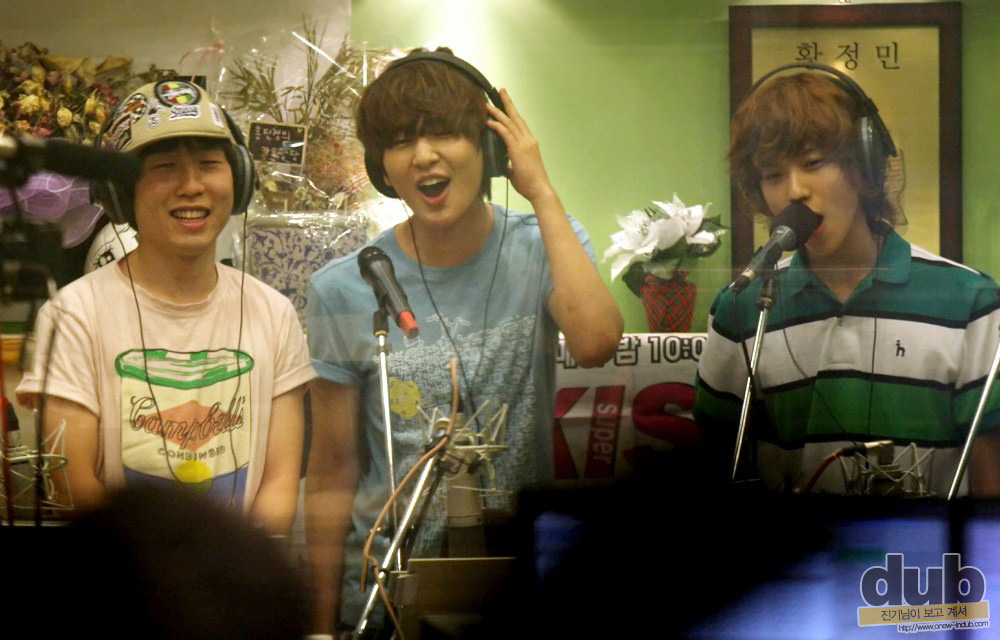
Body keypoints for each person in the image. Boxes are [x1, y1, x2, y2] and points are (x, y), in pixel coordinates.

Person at [305, 49, 623, 634]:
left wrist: (541, 191)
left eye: (445, 133)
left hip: (513, 591)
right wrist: (321, 626)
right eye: (401, 141)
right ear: (382, 168)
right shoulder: (343, 288)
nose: (424, 155)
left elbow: (596, 341)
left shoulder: (543, 246)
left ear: (490, 149)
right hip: (385, 600)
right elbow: (331, 472)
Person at [16, 80, 316, 534]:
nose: (191, 186)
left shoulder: (273, 313)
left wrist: (234, 568)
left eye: (209, 164)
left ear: (239, 180)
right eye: (164, 167)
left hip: (237, 572)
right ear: (120, 193)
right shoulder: (74, 314)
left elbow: (279, 486)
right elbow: (73, 485)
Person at [694, 66, 1000, 497]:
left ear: (864, 165)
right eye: (773, 175)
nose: (795, 191)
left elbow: (991, 483)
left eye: (813, 163)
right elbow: (715, 462)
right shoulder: (742, 308)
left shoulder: (970, 302)